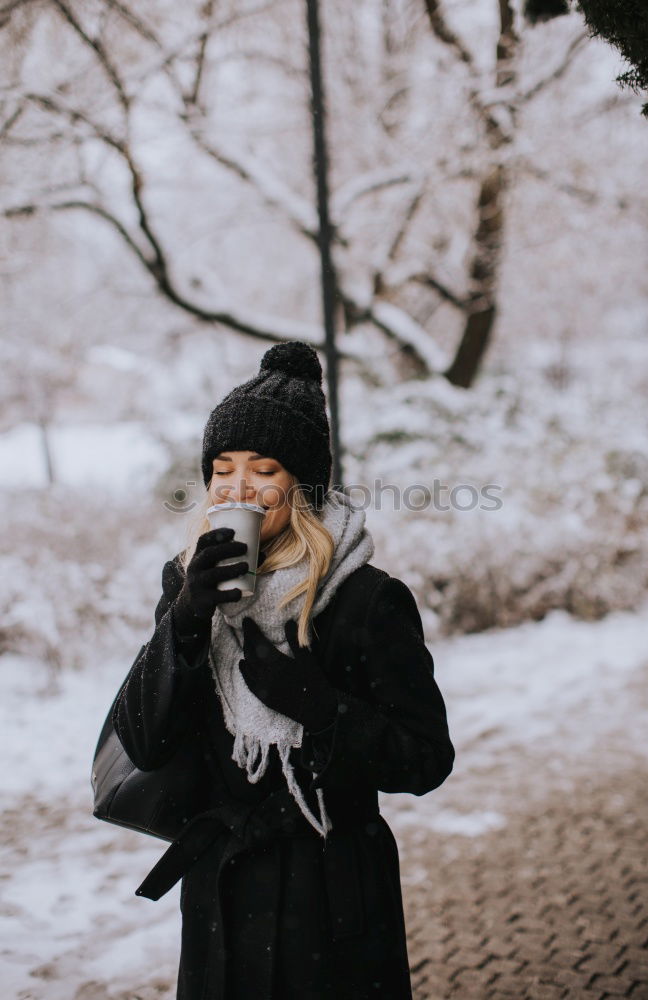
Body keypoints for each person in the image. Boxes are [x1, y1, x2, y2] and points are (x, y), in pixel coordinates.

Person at [112, 341, 455, 1000]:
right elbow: (145, 742)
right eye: (222, 468)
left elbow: (424, 759)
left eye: (263, 469)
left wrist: (320, 707)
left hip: (333, 898)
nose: (237, 486)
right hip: (221, 897)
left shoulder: (366, 600)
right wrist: (184, 619)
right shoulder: (187, 587)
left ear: (302, 486)